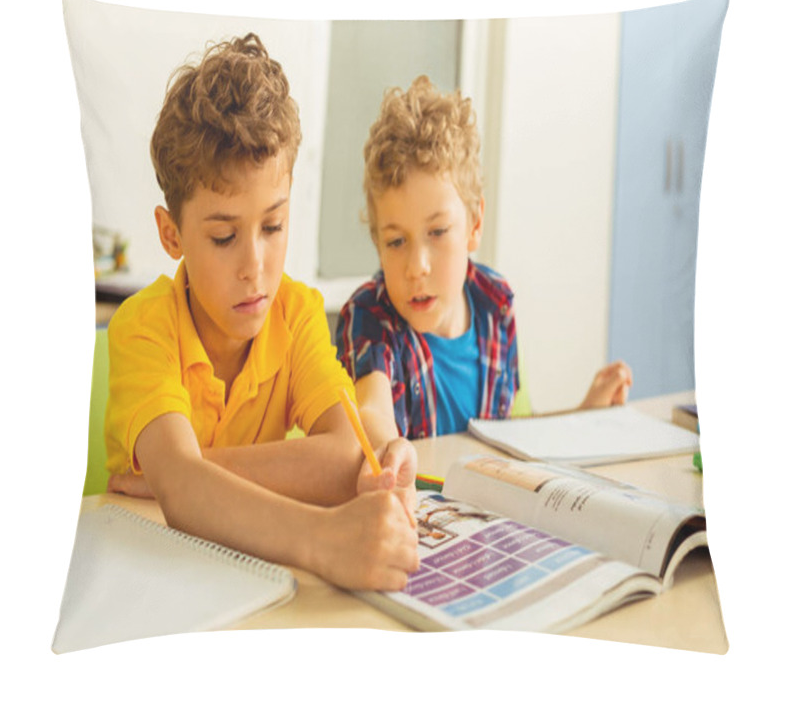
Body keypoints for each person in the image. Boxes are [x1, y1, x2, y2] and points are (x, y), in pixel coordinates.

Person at [103, 34, 418, 591]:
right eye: (224, 237)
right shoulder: (144, 327)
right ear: (171, 234)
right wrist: (323, 538)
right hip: (150, 581)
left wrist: (187, 472)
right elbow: (180, 496)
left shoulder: (295, 313)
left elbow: (348, 455)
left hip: (255, 579)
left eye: (273, 227)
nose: (255, 266)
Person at [336, 75, 632, 443]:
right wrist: (387, 450)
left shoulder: (496, 304)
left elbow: (514, 434)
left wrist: (583, 416)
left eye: (437, 232)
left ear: (474, 223)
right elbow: (372, 412)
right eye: (396, 241)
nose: (417, 267)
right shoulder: (369, 317)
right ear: (377, 241)